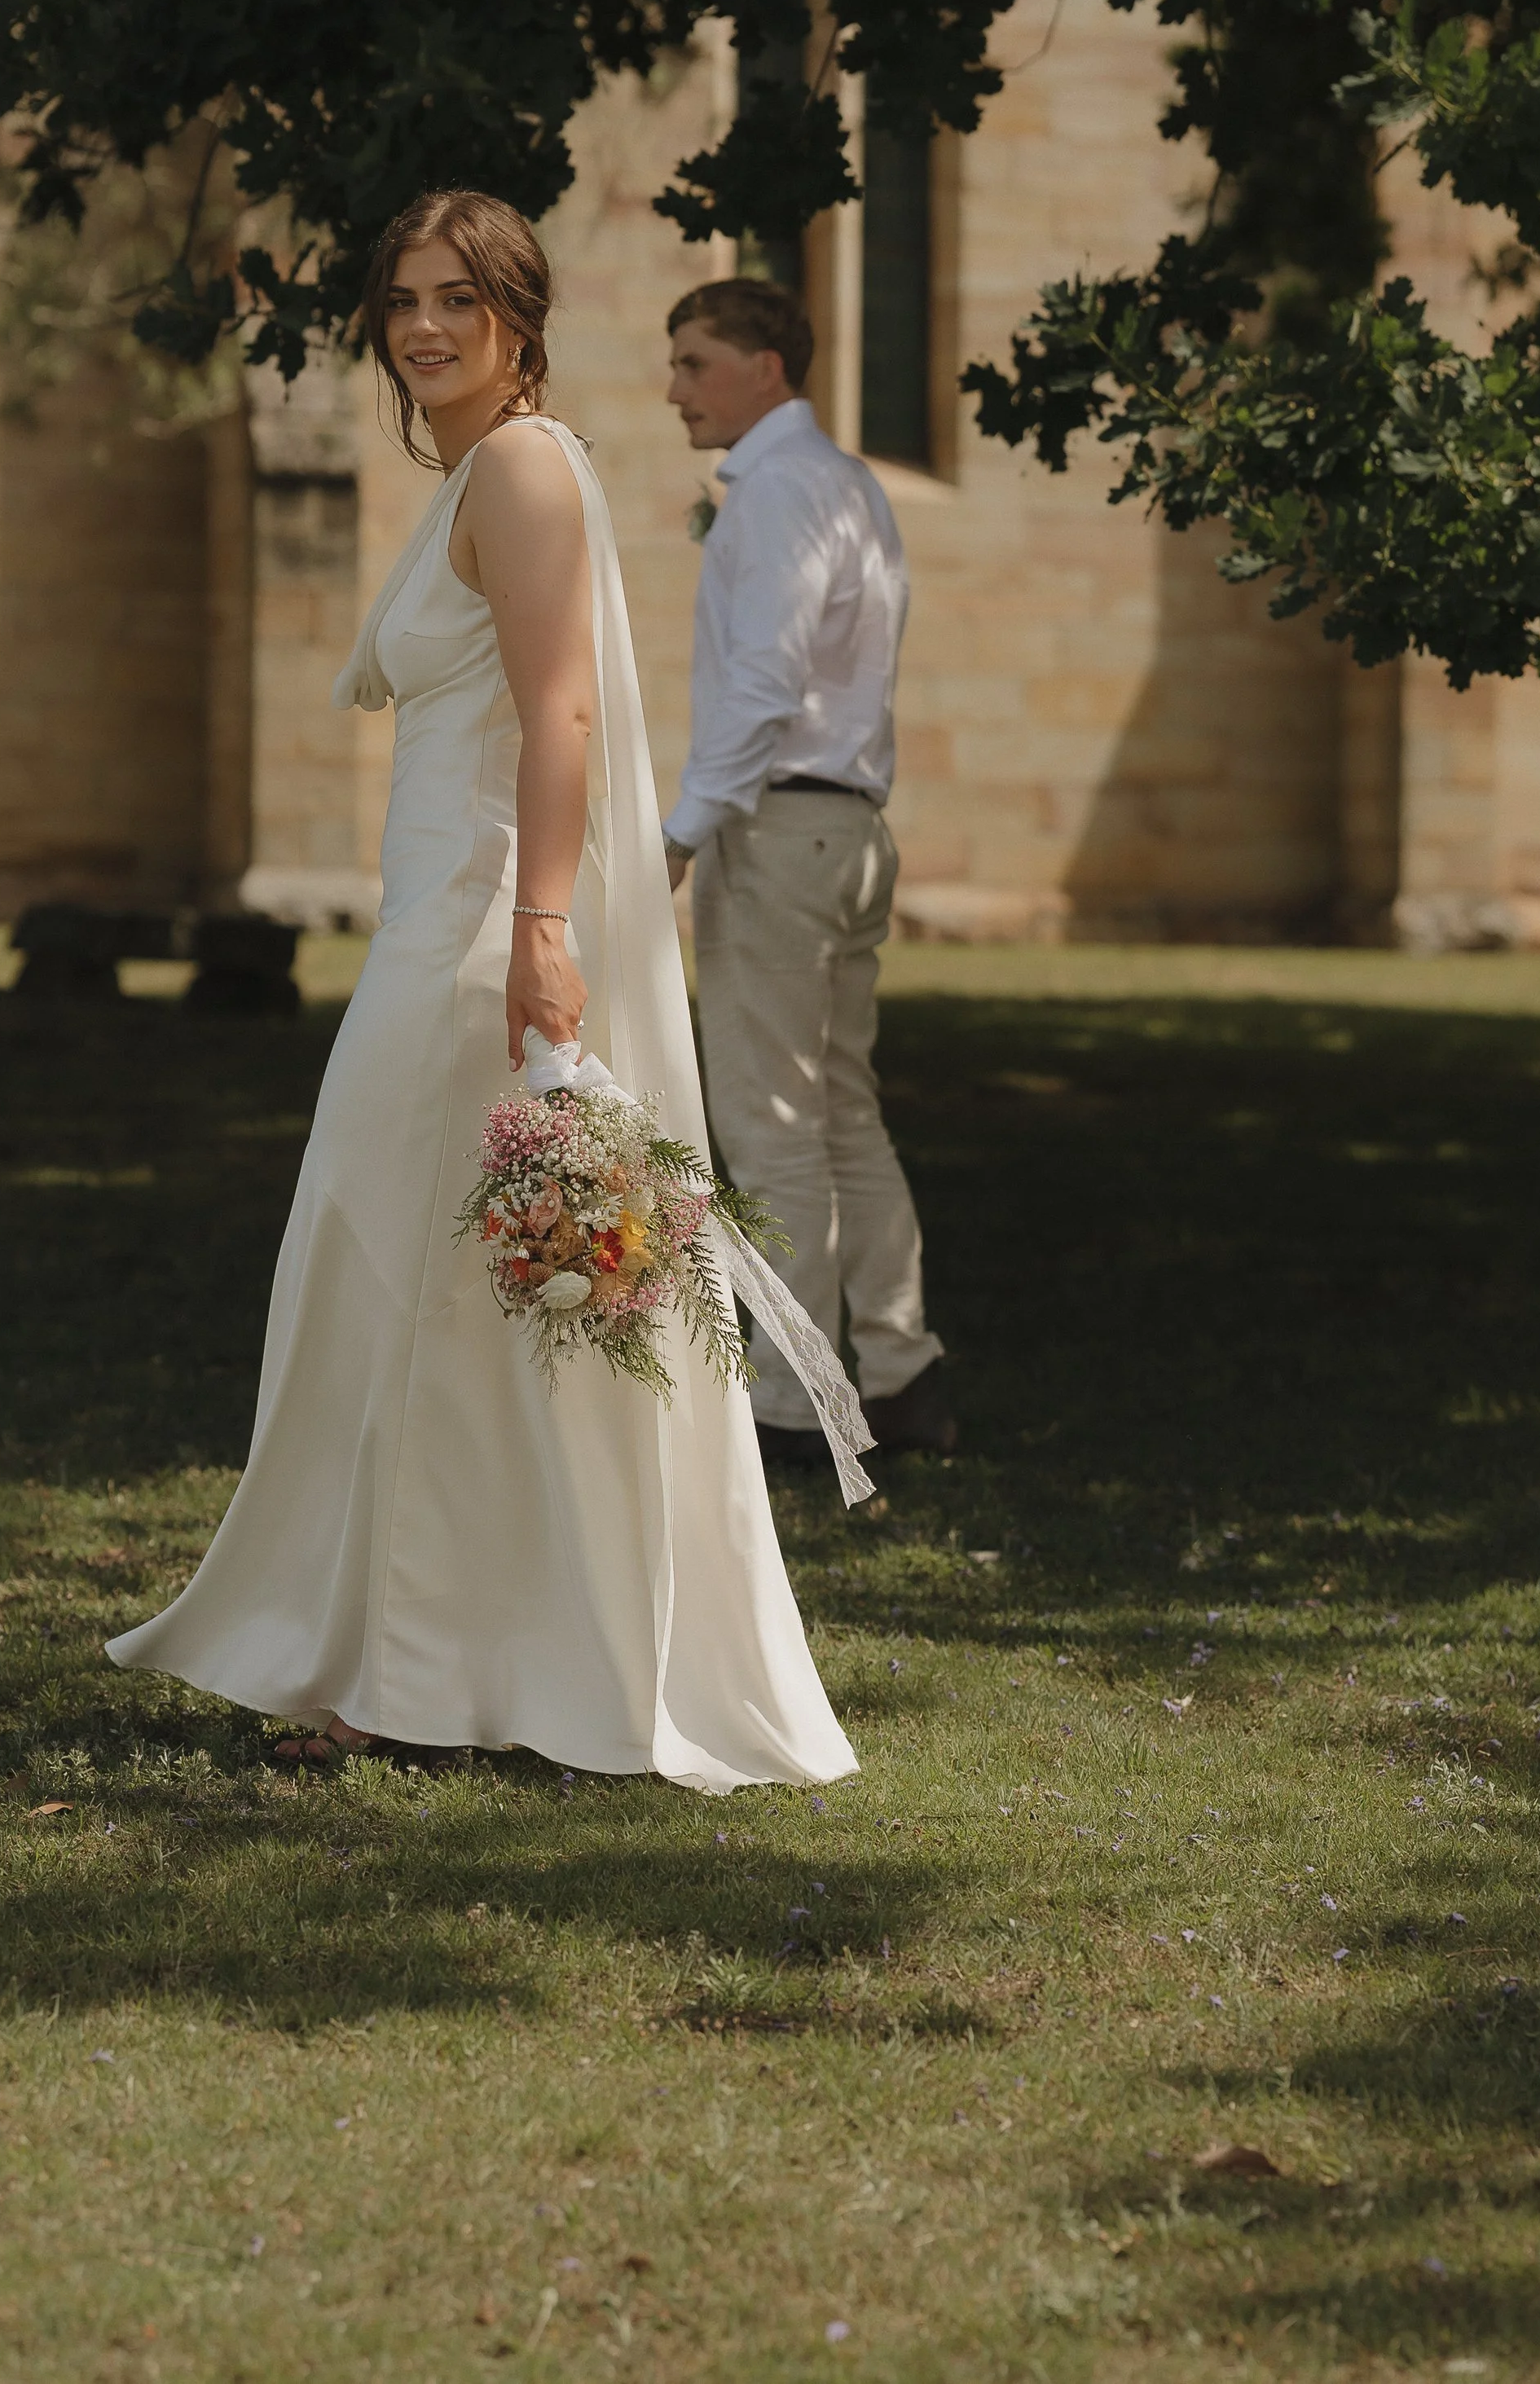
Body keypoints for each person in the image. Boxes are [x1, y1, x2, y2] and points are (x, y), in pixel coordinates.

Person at [108, 195, 856, 1793]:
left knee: (421, 1280)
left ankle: (428, 1672)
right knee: (411, 1280)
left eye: (460, 299)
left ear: (521, 318)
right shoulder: (480, 469)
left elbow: (561, 714)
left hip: (473, 939)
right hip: (429, 923)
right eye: (402, 301)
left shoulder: (520, 466)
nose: (424, 326)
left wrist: (536, 929)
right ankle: (424, 1656)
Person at [662, 279, 955, 1469]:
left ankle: (795, 1408)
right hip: (849, 831)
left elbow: (765, 686)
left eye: (693, 362)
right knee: (839, 1111)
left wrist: (681, 832)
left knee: (772, 1121)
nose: (672, 386)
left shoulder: (784, 492)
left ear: (767, 366)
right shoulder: (847, 484)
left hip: (782, 831)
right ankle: (901, 1374)